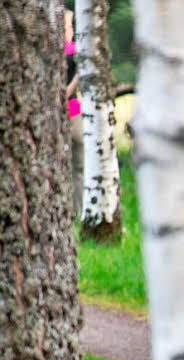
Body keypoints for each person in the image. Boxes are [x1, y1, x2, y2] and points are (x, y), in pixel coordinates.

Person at [64, 9, 83, 219]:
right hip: (55, 118)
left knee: (79, 166)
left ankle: (79, 211)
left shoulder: (74, 50)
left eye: (70, 26)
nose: (68, 31)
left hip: (73, 112)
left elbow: (82, 72)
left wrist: (68, 91)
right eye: (65, 26)